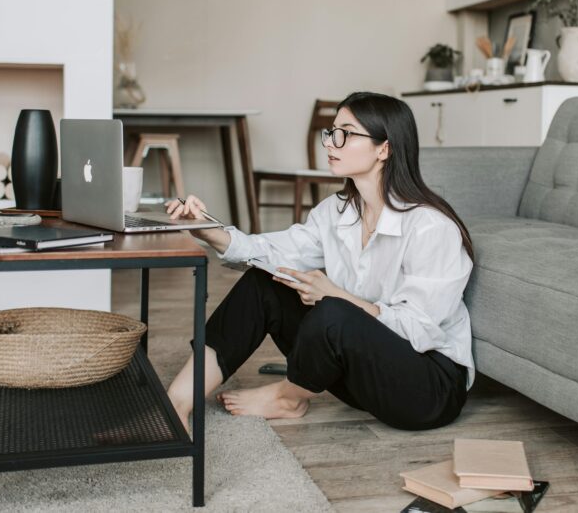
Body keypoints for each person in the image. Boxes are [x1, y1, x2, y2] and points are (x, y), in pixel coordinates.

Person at [164, 91, 475, 431]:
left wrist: (336, 296)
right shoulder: (337, 210)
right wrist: (206, 229)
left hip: (427, 388)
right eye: (331, 132)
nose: (330, 143)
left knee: (333, 311)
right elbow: (271, 252)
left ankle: (288, 396)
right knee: (264, 281)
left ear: (383, 149)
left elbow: (419, 330)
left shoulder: (431, 228)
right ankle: (177, 402)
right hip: (365, 376)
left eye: (346, 134)